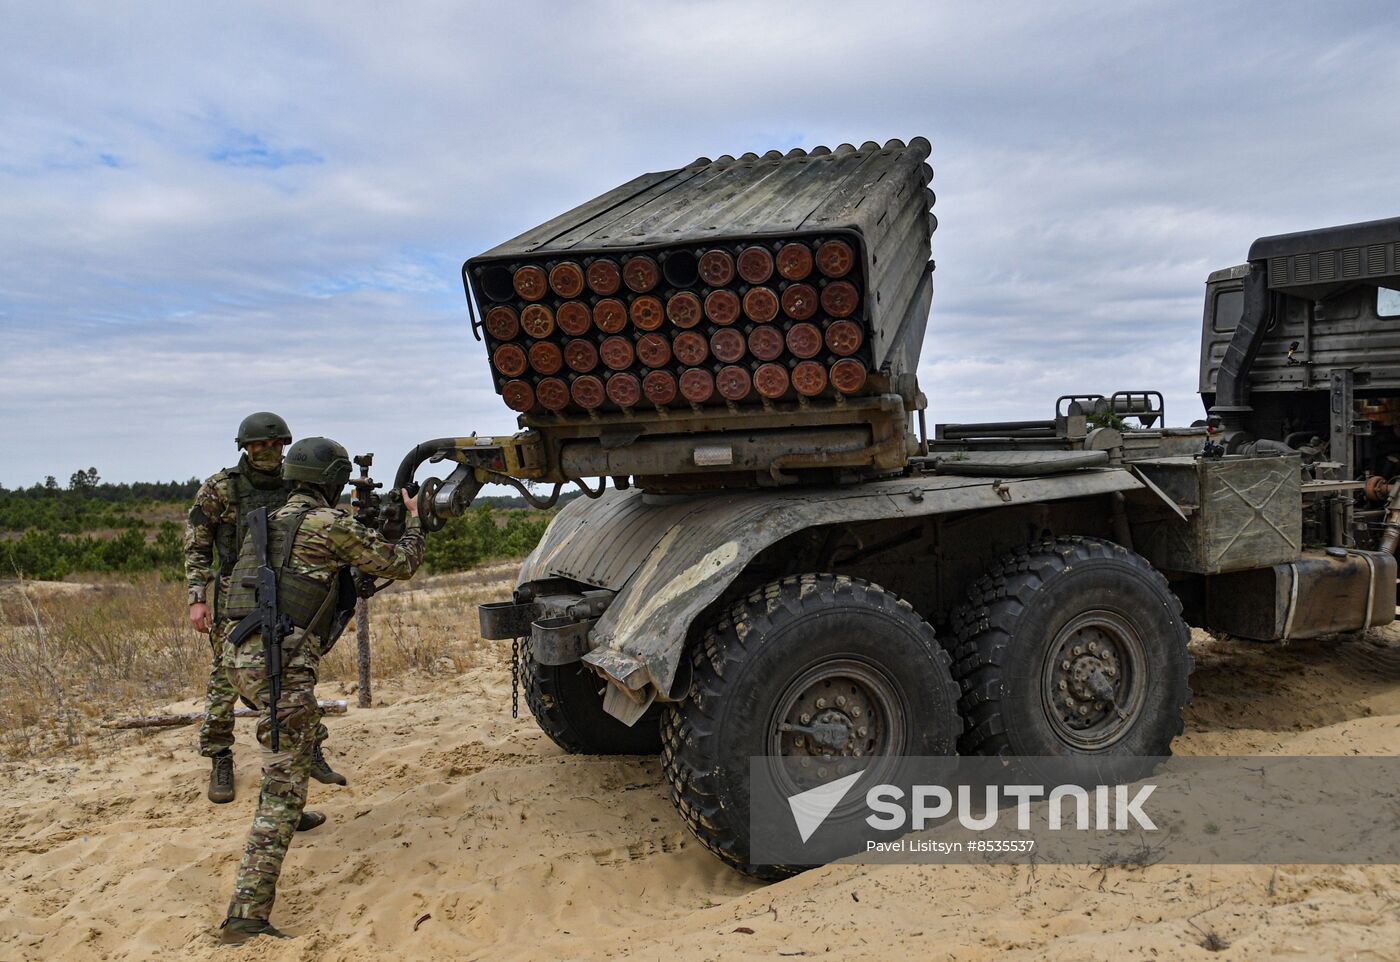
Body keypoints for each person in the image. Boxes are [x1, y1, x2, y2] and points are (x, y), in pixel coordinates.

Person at [217, 436, 424, 944]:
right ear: (332, 482)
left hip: (237, 658)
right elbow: (399, 563)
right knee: (280, 786)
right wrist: (414, 521)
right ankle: (245, 916)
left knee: (298, 737)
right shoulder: (329, 524)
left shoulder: (268, 520)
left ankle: (297, 806)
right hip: (279, 663)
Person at [183, 412, 346, 805]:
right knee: (225, 679)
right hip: (235, 596)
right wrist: (197, 598)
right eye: (260, 445)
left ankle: (309, 749)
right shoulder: (221, 489)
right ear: (245, 447)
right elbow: (197, 546)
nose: (268, 452)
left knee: (293, 675)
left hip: (287, 591)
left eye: (275, 445)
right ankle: (220, 755)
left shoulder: (298, 482)